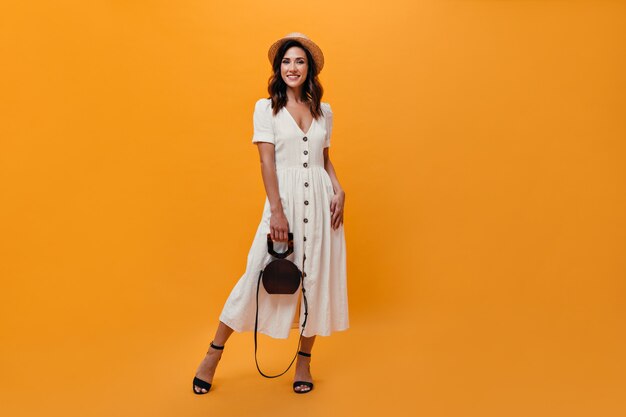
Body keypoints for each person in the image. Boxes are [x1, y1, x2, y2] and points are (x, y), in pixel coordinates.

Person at [192, 32, 349, 395]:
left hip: (322, 204)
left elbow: (324, 159)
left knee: (315, 280)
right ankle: (213, 354)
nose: (292, 68)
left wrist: (339, 188)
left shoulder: (324, 110)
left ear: (310, 69)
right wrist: (276, 212)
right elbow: (266, 161)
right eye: (286, 62)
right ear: (278, 69)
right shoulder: (266, 108)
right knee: (254, 275)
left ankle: (304, 363)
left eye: (299, 61)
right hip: (285, 203)